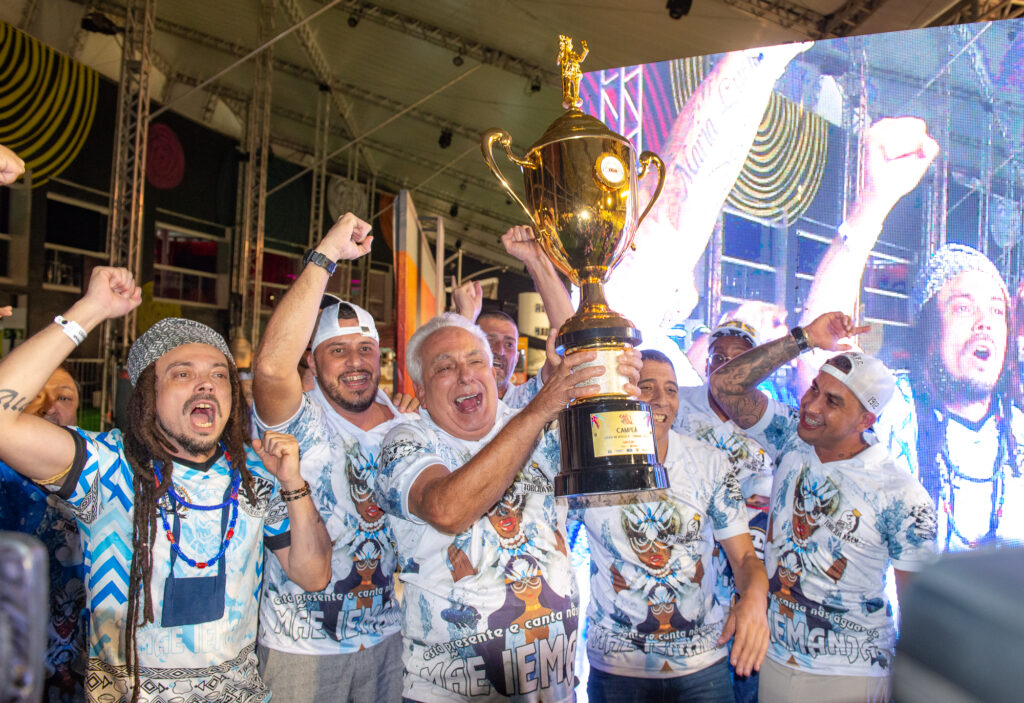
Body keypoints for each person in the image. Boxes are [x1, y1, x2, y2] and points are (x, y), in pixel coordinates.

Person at [0, 266, 332, 702]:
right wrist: (90, 310)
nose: (206, 384)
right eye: (181, 374)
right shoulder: (107, 467)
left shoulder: (255, 476)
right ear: (146, 395)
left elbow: (313, 575)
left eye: (219, 374)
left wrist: (293, 483)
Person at [375, 312, 642, 702]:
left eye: (475, 361)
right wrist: (539, 409)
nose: (465, 375)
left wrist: (613, 377)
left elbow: (614, 451)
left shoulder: (540, 428)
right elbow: (447, 509)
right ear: (421, 389)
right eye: (445, 367)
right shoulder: (406, 439)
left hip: (554, 689)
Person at [799, 117, 1024, 551]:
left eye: (996, 310)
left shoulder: (1018, 433)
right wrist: (872, 205)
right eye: (962, 306)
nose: (984, 322)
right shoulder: (893, 410)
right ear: (927, 332)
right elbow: (820, 367)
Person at [709, 311, 938, 702]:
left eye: (831, 401)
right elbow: (725, 385)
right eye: (814, 389)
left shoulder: (901, 495)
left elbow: (921, 613)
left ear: (865, 419)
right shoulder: (792, 440)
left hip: (850, 676)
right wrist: (805, 338)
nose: (811, 405)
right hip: (776, 662)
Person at [251, 213, 410, 701]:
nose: (356, 362)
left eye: (366, 349)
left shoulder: (402, 422)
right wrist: (325, 258)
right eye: (337, 351)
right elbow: (271, 367)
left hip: (388, 642)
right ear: (311, 361)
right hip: (301, 650)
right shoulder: (302, 421)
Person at [580, 349, 769, 702]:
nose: (661, 400)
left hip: (703, 667)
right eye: (646, 387)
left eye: (671, 389)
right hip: (618, 669)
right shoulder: (591, 464)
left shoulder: (709, 463)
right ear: (624, 395)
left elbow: (744, 559)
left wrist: (755, 596)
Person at [673, 320, 776, 702]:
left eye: (741, 359)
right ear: (705, 363)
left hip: (748, 571)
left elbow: (766, 511)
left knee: (746, 682)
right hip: (689, 579)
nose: (727, 367)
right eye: (718, 358)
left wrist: (747, 593)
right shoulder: (678, 402)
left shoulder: (767, 419)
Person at [0, 366, 86, 702]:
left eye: (64, 397)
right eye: (35, 395)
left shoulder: (102, 468)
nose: (50, 407)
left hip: (76, 661)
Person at [454, 225, 574, 407]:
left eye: (509, 344)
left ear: (516, 358)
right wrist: (465, 317)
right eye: (489, 340)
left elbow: (571, 340)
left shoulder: (524, 401)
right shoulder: (452, 403)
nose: (499, 351)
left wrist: (536, 260)